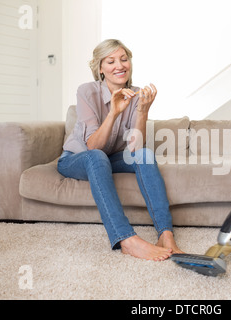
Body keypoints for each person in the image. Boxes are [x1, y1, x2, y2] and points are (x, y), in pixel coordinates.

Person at [58, 39, 183, 261]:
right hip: (78, 159)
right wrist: (113, 112)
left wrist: (143, 111)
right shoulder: (87, 91)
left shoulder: (135, 95)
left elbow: (135, 148)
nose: (120, 65)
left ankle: (165, 234)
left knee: (144, 155)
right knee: (97, 156)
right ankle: (126, 239)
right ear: (100, 68)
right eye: (111, 61)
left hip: (110, 159)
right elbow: (93, 147)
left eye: (124, 59)